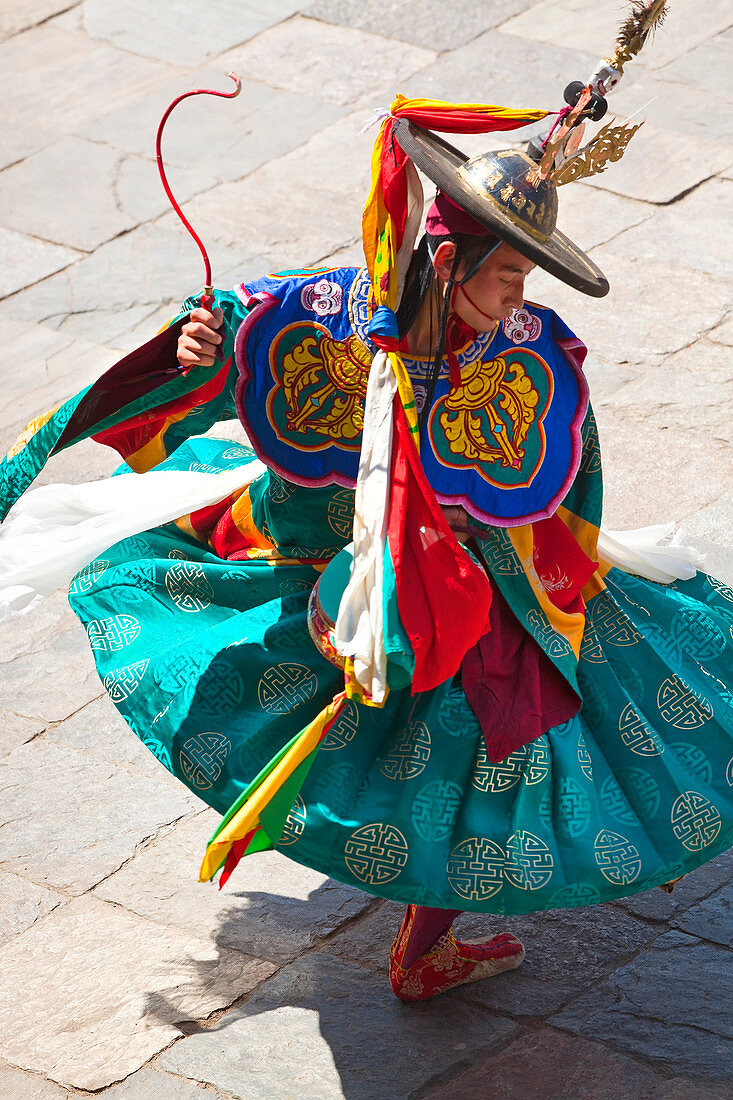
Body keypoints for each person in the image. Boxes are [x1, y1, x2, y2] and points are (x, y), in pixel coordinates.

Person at [1, 101, 731, 1006]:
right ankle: (401, 900)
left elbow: (559, 477)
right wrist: (201, 346)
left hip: (470, 579)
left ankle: (426, 940)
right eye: (507, 274)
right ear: (448, 261)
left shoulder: (525, 361)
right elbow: (233, 347)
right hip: (319, 562)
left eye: (526, 278)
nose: (518, 298)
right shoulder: (328, 320)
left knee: (485, 738)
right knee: (405, 737)